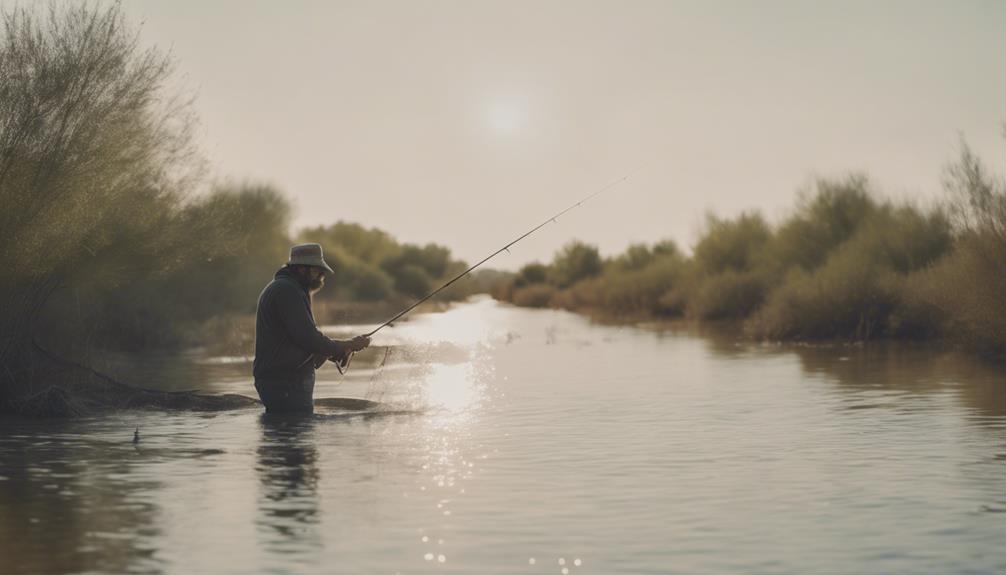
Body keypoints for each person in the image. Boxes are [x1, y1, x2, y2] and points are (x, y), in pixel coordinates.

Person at [253, 243, 370, 414]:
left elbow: (296, 340)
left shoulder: (289, 288)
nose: (322, 275)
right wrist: (346, 345)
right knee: (295, 432)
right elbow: (308, 338)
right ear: (302, 269)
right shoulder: (287, 291)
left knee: (289, 435)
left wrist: (335, 351)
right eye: (317, 270)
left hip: (283, 381)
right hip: (283, 382)